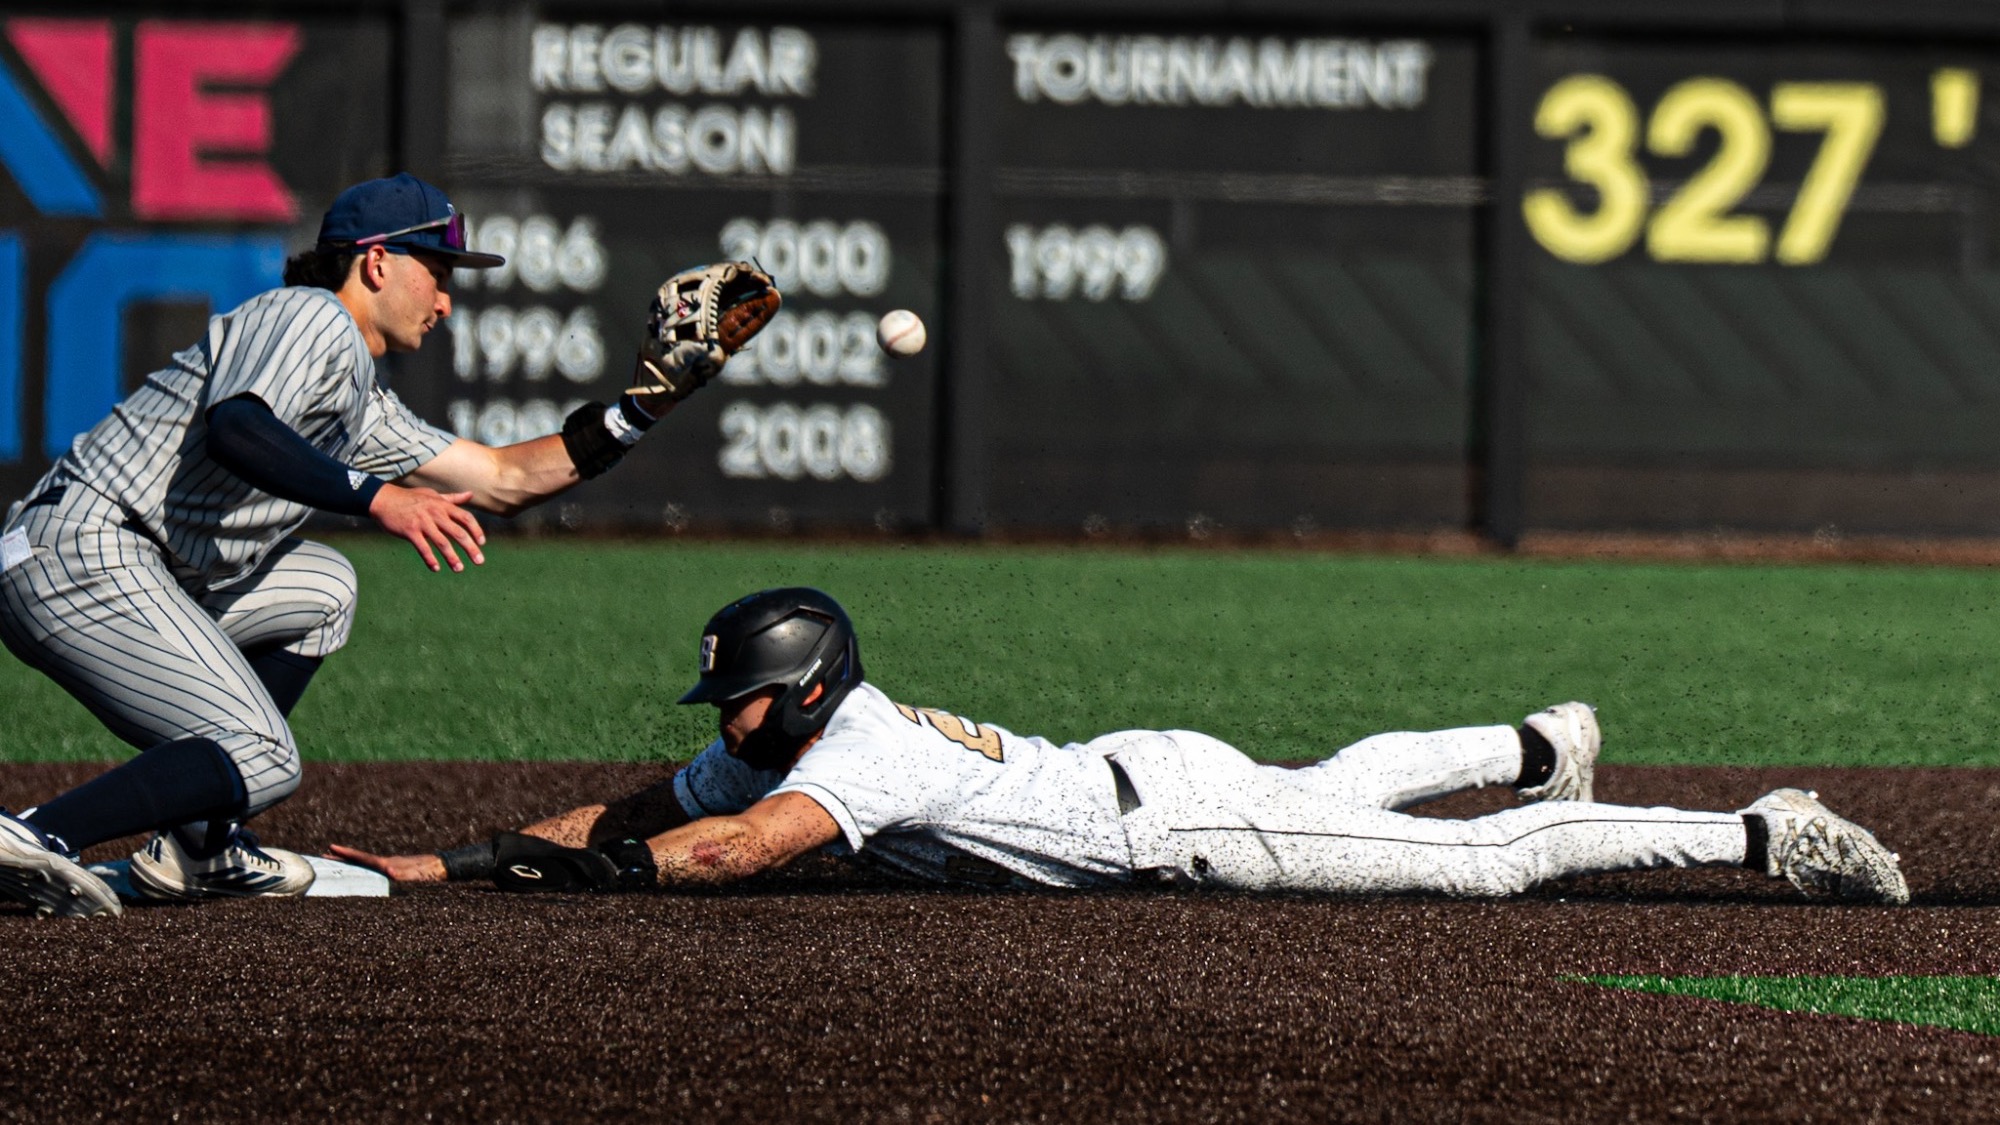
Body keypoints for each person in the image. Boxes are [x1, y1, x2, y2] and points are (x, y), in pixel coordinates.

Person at [0, 173, 719, 918]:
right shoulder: (310, 316)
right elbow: (239, 426)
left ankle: (200, 845)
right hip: (84, 553)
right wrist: (379, 497)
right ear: (376, 263)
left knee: (323, 587)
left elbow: (502, 478)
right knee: (265, 753)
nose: (445, 300)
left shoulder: (359, 402)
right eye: (437, 273)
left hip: (109, 562)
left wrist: (640, 409)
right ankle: (34, 833)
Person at [331, 587, 1911, 906]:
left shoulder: (861, 755)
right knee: (1341, 781)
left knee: (1481, 871)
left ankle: (1763, 831)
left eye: (738, 700)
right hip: (1137, 758)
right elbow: (645, 804)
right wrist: (454, 857)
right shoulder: (794, 737)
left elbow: (730, 851)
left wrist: (610, 876)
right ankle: (1530, 733)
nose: (721, 727)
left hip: (1171, 828)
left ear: (802, 689)